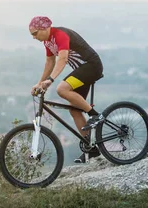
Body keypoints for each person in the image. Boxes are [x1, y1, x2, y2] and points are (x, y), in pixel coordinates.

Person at [29, 16, 104, 163]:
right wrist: (39, 83)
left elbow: (62, 59)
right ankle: (92, 148)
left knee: (62, 89)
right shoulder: (47, 41)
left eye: (35, 33)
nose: (33, 37)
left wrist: (51, 80)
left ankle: (95, 116)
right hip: (81, 70)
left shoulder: (60, 35)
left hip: (91, 66)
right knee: (74, 110)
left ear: (44, 28)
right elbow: (50, 62)